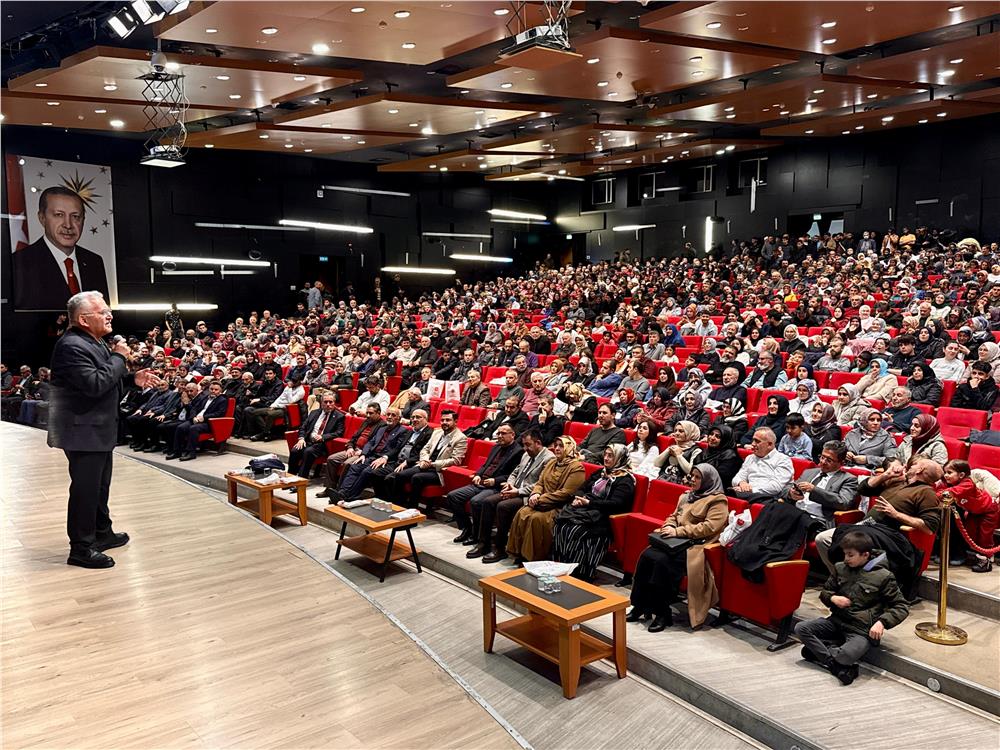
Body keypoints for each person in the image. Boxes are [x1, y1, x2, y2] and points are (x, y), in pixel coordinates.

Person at [48, 291, 161, 568]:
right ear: (84, 319)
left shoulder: (93, 342)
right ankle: (81, 548)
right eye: (102, 312)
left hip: (95, 428)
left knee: (100, 486)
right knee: (86, 490)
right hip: (81, 431)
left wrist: (133, 379)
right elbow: (95, 384)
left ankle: (102, 533)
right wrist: (120, 358)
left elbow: (105, 382)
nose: (110, 315)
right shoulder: (72, 345)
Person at [794, 531, 909, 686]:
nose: (846, 559)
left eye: (850, 555)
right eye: (845, 554)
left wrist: (882, 622)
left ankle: (821, 653)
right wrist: (833, 598)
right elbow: (826, 592)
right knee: (801, 628)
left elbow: (901, 606)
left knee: (845, 656)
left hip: (861, 630)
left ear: (865, 555)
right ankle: (835, 665)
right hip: (836, 622)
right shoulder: (840, 568)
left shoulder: (884, 576)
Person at [814, 458, 942, 596]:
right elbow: (863, 489)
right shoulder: (897, 481)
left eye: (914, 464)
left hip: (886, 535)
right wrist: (885, 475)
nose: (907, 466)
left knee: (836, 540)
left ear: (919, 470)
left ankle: (855, 585)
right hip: (863, 527)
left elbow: (929, 527)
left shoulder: (926, 493)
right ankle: (843, 580)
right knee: (822, 539)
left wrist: (896, 514)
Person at [627, 464, 728, 631]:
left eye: (698, 477)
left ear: (708, 480)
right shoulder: (687, 496)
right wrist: (669, 526)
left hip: (696, 546)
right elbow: (674, 516)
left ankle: (662, 613)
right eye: (692, 476)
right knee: (646, 556)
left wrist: (678, 531)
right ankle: (640, 605)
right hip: (674, 541)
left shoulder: (718, 500)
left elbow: (709, 528)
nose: (693, 480)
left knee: (661, 563)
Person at [14, 187, 110, 311]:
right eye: (59, 215)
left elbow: (103, 318)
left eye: (75, 216)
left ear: (83, 220)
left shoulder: (94, 262)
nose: (68, 225)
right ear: (42, 218)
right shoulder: (19, 263)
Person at [469, 429, 554, 563]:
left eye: (528, 445)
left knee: (503, 507)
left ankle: (500, 548)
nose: (525, 448)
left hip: (526, 495)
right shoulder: (526, 454)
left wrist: (518, 491)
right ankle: (483, 543)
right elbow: (514, 473)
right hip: (513, 489)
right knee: (487, 502)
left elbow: (541, 484)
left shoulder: (549, 458)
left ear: (538, 443)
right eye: (524, 445)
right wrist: (509, 485)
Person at [552, 444, 636, 581]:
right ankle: (560, 566)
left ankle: (581, 572)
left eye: (611, 456)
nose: (606, 459)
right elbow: (582, 488)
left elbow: (616, 504)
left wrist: (590, 503)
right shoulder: (600, 472)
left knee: (575, 531)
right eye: (606, 455)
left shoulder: (625, 480)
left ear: (620, 458)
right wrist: (578, 498)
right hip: (586, 510)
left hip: (604, 518)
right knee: (561, 524)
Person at [506, 435, 585, 563]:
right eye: (556, 445)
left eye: (561, 446)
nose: (557, 449)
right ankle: (519, 553)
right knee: (522, 513)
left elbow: (566, 493)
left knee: (537, 519)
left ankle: (533, 557)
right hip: (540, 502)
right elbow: (540, 483)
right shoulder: (552, 462)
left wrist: (541, 498)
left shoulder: (576, 467)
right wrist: (535, 494)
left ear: (569, 448)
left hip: (559, 506)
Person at [447, 425, 524, 547]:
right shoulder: (496, 447)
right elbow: (485, 465)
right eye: (498, 433)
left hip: (496, 487)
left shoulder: (518, 451)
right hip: (481, 482)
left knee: (476, 502)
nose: (499, 436)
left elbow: (513, 475)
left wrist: (495, 481)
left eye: (503, 433)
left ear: (512, 435)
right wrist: (478, 474)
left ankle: (476, 535)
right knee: (453, 496)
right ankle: (468, 528)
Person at [382, 409, 467, 513]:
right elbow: (425, 449)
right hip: (425, 464)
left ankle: (411, 510)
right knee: (400, 475)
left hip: (439, 471)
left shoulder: (461, 438)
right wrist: (425, 460)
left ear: (456, 421)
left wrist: (432, 464)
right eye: (442, 420)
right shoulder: (437, 432)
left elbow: (456, 460)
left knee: (417, 478)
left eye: (448, 420)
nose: (444, 422)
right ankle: (398, 506)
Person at [781, 441, 859, 530]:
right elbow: (786, 488)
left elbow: (843, 503)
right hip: (795, 512)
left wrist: (814, 490)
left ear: (842, 462)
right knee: (771, 509)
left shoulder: (848, 479)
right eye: (822, 457)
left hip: (817, 520)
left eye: (829, 460)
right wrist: (791, 493)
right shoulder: (810, 472)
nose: (822, 462)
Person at [938, 459, 999, 573]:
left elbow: (952, 492)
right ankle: (976, 555)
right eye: (945, 472)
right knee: (969, 532)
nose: (945, 475)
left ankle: (986, 561)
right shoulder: (952, 484)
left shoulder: (967, 483)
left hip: (989, 510)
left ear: (961, 475)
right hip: (974, 512)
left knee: (984, 536)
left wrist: (936, 495)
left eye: (949, 472)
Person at [166, 380, 230, 461]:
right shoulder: (205, 397)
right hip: (196, 419)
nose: (213, 391)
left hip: (209, 423)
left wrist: (204, 418)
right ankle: (177, 451)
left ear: (220, 391)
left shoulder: (222, 400)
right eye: (211, 389)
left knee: (193, 428)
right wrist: (193, 417)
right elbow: (194, 408)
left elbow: (219, 413)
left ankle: (191, 453)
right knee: (181, 427)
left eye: (216, 390)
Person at [288, 393, 345, 478]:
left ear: (334, 403)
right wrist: (301, 438)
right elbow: (303, 427)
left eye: (331, 402)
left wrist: (323, 437)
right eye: (326, 402)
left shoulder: (339, 416)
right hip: (308, 441)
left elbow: (339, 432)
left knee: (308, 452)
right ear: (321, 403)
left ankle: (301, 480)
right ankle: (290, 477)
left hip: (322, 444)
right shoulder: (314, 413)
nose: (328, 404)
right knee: (295, 450)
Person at [730, 427, 794, 500]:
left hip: (768, 498)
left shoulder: (783, 460)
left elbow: (776, 487)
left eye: (757, 441)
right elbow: (736, 479)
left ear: (769, 444)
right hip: (746, 494)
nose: (752, 444)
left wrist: (751, 490)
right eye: (753, 440)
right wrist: (742, 483)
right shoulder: (750, 458)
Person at [243, 375, 305, 441]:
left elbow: (290, 402)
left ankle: (263, 433)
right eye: (292, 381)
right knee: (255, 412)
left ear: (300, 382)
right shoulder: (288, 387)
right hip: (276, 406)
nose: (293, 383)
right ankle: (267, 432)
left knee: (270, 414)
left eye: (295, 381)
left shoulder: (301, 391)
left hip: (285, 409)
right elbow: (280, 398)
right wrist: (273, 405)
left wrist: (289, 389)